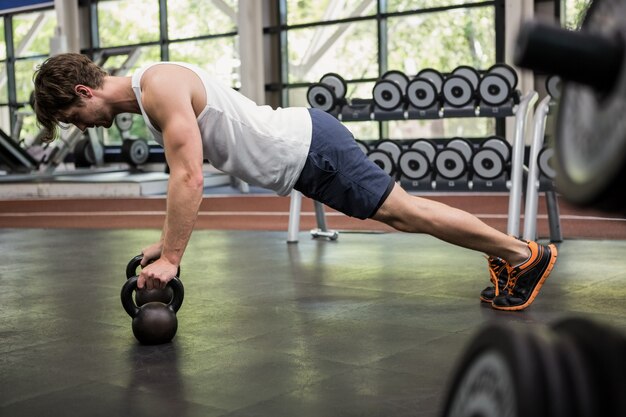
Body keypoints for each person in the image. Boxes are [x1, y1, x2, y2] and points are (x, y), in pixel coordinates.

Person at [32, 53, 557, 311]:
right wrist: (166, 244)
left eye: (73, 116)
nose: (80, 127)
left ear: (84, 89)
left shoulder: (160, 85)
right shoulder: (153, 92)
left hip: (310, 151)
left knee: (406, 212)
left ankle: (521, 254)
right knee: (405, 211)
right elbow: (190, 172)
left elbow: (189, 176)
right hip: (306, 148)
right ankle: (513, 252)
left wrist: (173, 257)